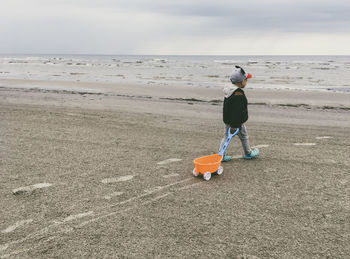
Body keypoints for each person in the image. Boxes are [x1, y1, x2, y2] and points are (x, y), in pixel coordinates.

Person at [219, 65, 259, 162]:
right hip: (237, 123)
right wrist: (235, 126)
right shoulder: (238, 95)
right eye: (246, 80)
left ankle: (221, 154)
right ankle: (248, 153)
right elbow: (236, 112)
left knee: (226, 136)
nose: (246, 82)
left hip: (228, 120)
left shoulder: (229, 91)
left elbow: (228, 108)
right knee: (244, 137)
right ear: (241, 82)